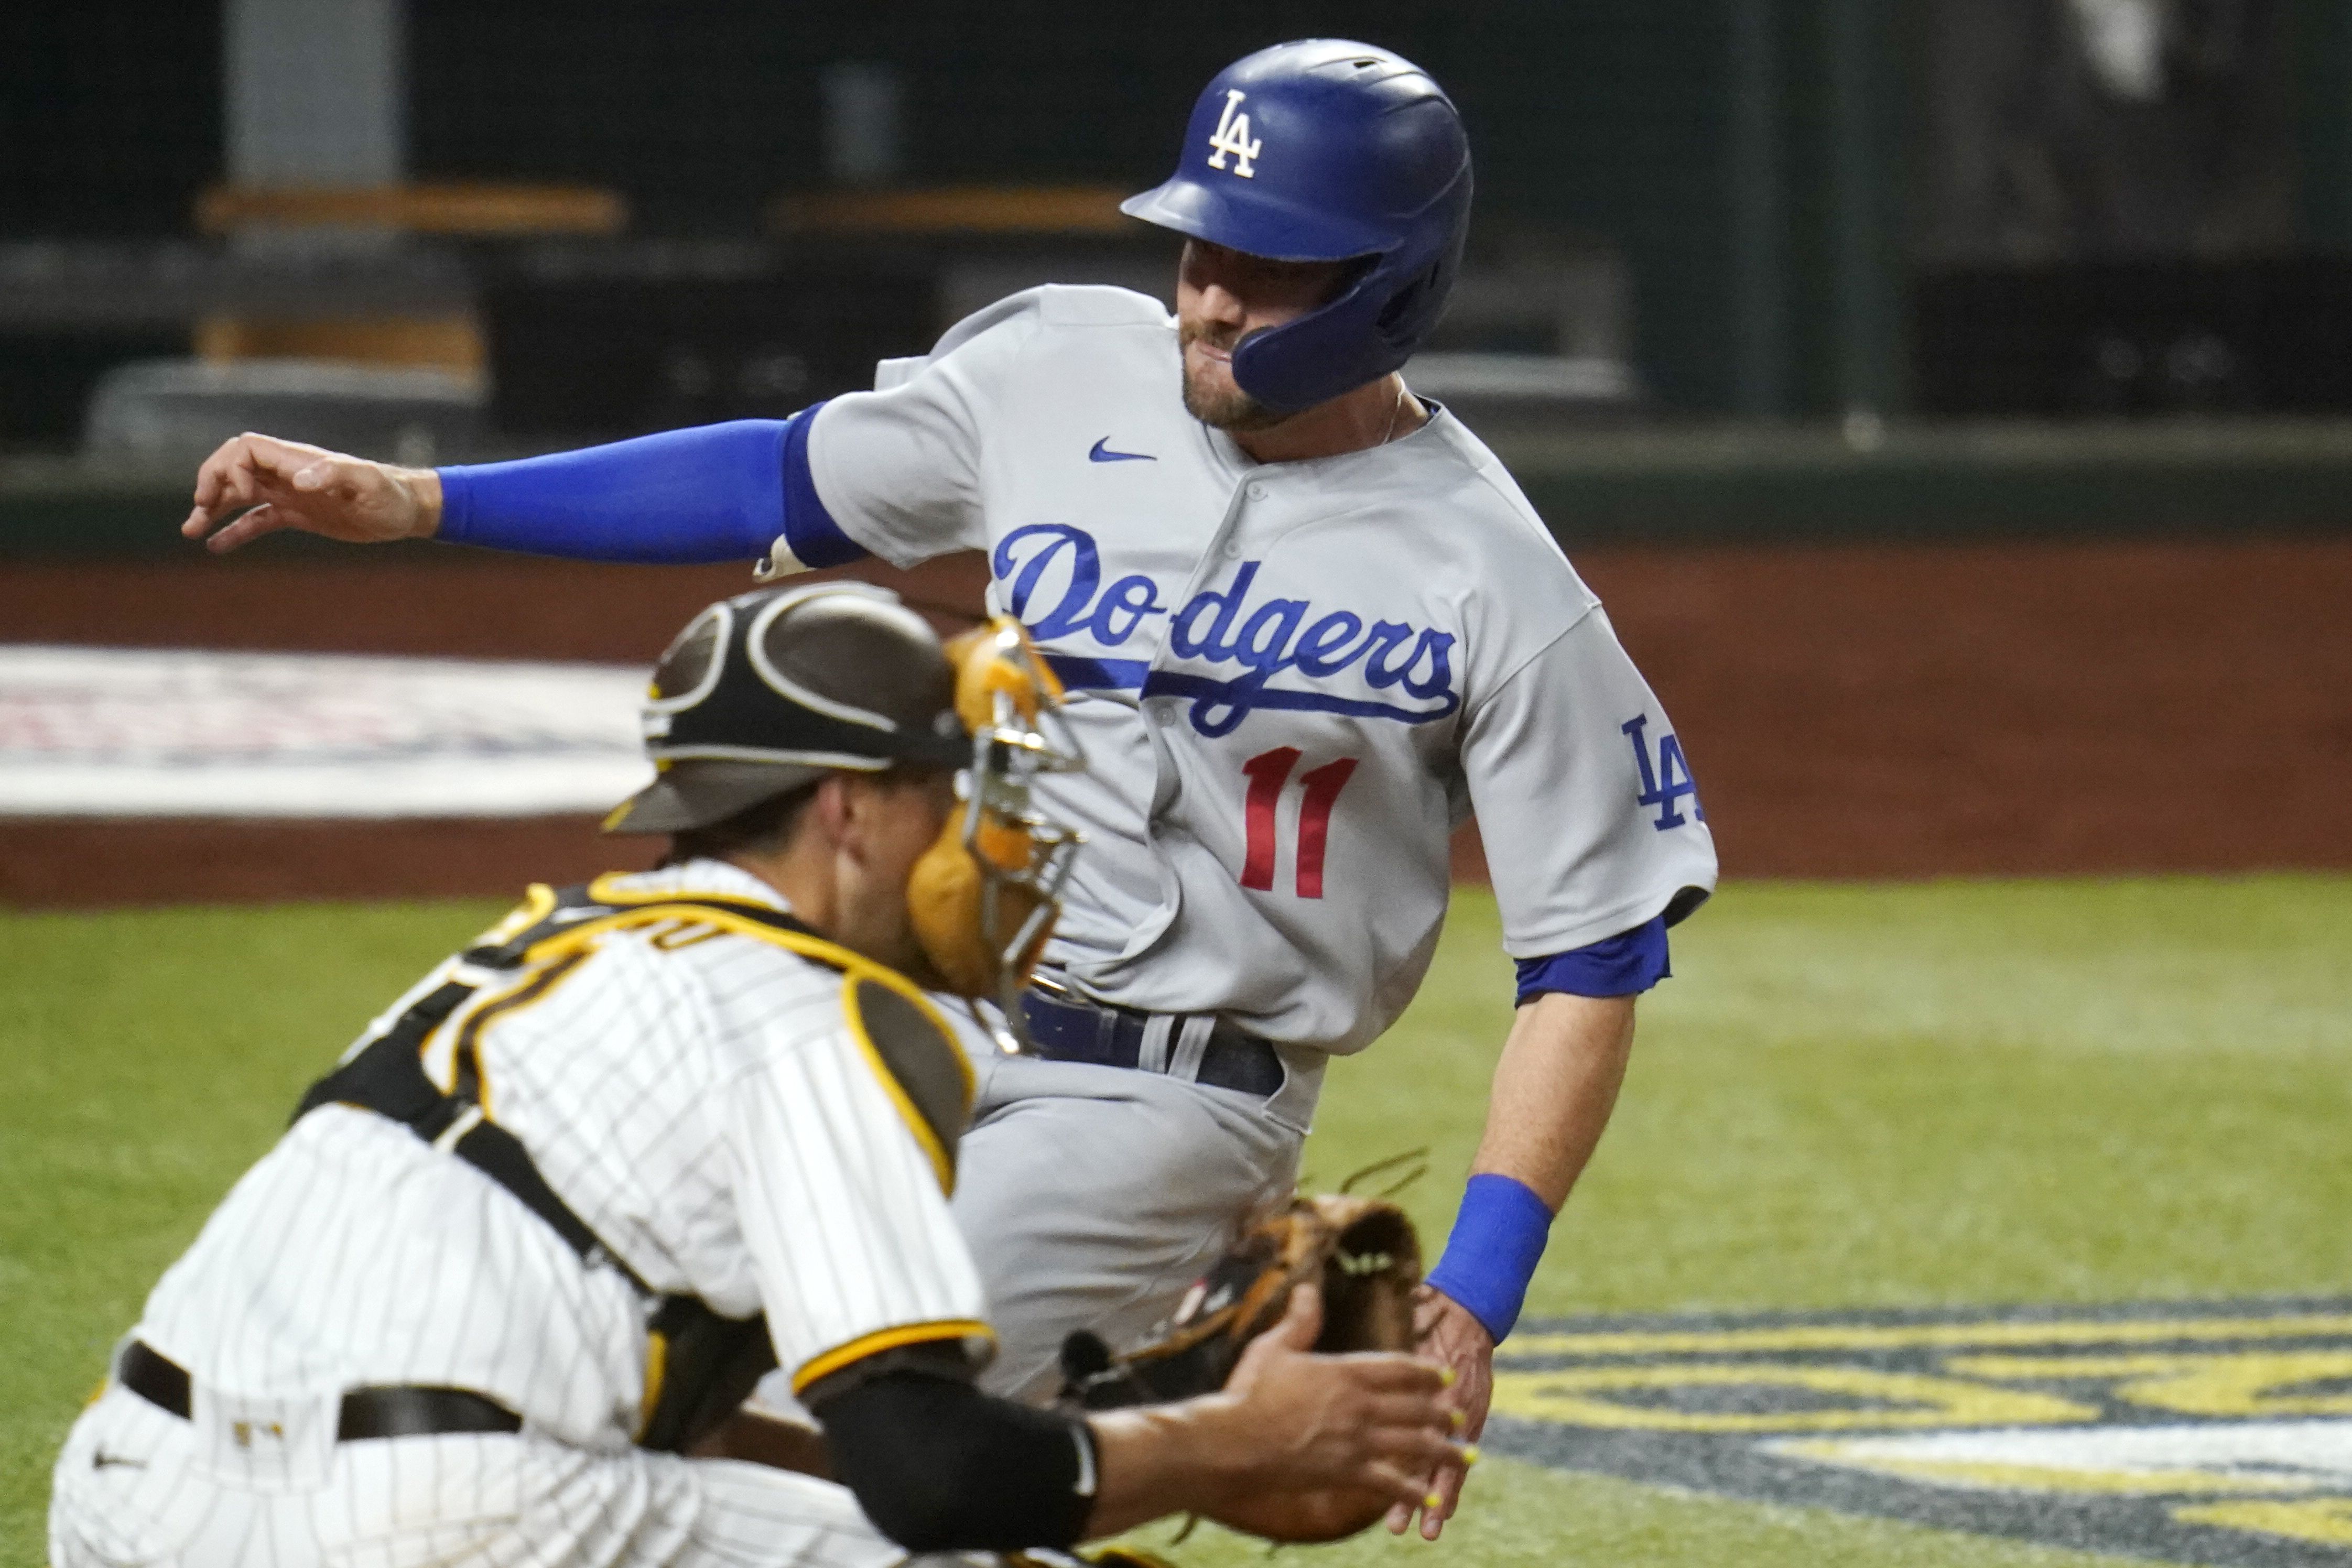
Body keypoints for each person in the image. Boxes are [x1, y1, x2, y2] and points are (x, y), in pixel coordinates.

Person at [179, 38, 1718, 1539]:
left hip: (1161, 1098)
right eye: (1197, 250)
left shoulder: (1497, 579)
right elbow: (775, 479)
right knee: (595, 1333)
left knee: (835, 1432)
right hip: (912, 1023)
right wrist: (419, 500)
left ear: (1392, 283)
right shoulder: (1055, 366)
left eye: (1270, 265)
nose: (1210, 297)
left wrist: (1476, 1298)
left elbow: (1588, 957)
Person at [49, 583, 1459, 1568]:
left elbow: (714, 1434)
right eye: (961, 790)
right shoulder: (828, 1012)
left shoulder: (553, 937)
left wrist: (1139, 1437)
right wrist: (1227, 1445)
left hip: (128, 1501)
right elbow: (929, 1485)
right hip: (431, 1523)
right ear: (851, 811)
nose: (1002, 836)